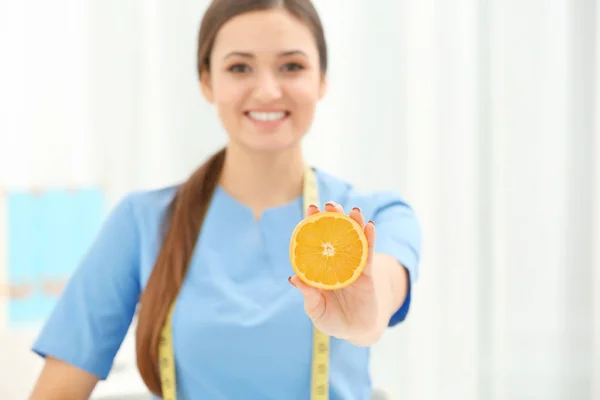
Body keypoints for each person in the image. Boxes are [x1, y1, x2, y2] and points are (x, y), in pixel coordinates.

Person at [28, 0, 421, 399]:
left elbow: (384, 292)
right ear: (206, 82)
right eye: (239, 68)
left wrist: (365, 318)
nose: (267, 90)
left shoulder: (376, 218)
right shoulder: (141, 223)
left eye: (292, 66)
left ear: (322, 80)